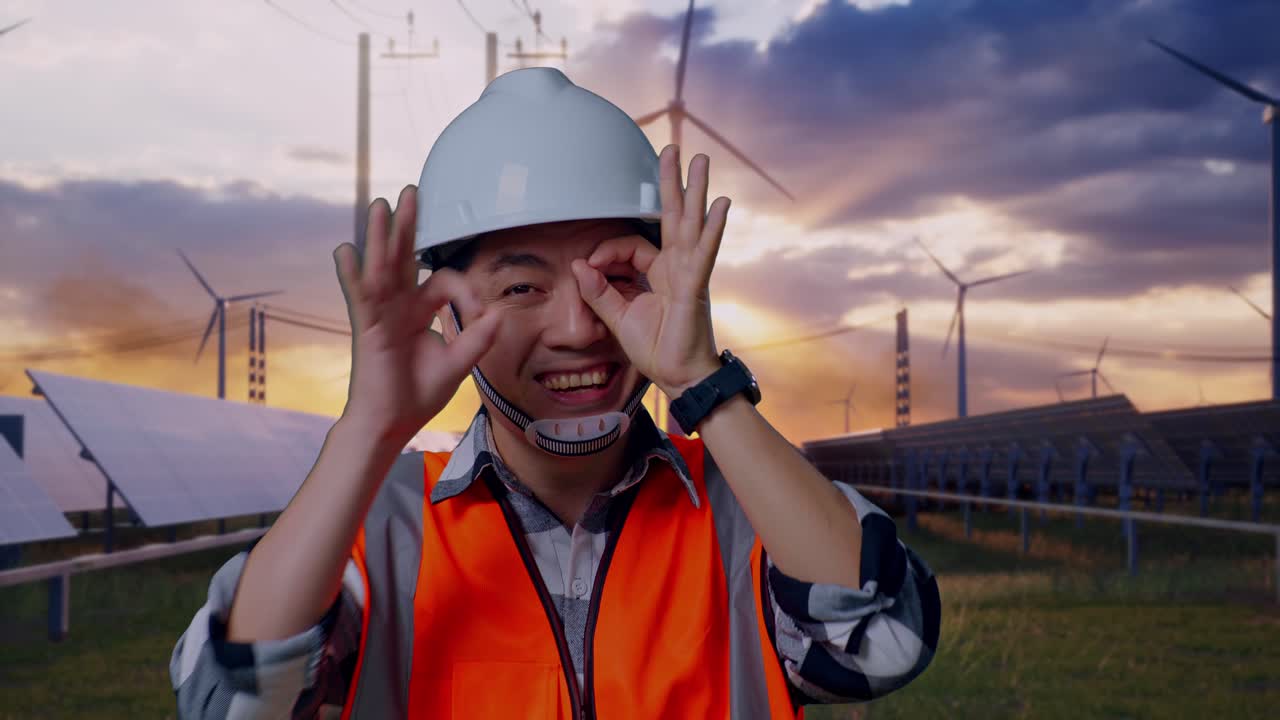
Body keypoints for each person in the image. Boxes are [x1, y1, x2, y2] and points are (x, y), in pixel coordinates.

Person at [170, 68, 939, 719]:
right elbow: (236, 699)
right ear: (446, 304)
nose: (578, 328)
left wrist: (704, 384)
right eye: (521, 286)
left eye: (617, 280)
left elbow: (883, 640)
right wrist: (368, 429)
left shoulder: (747, 511)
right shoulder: (377, 530)